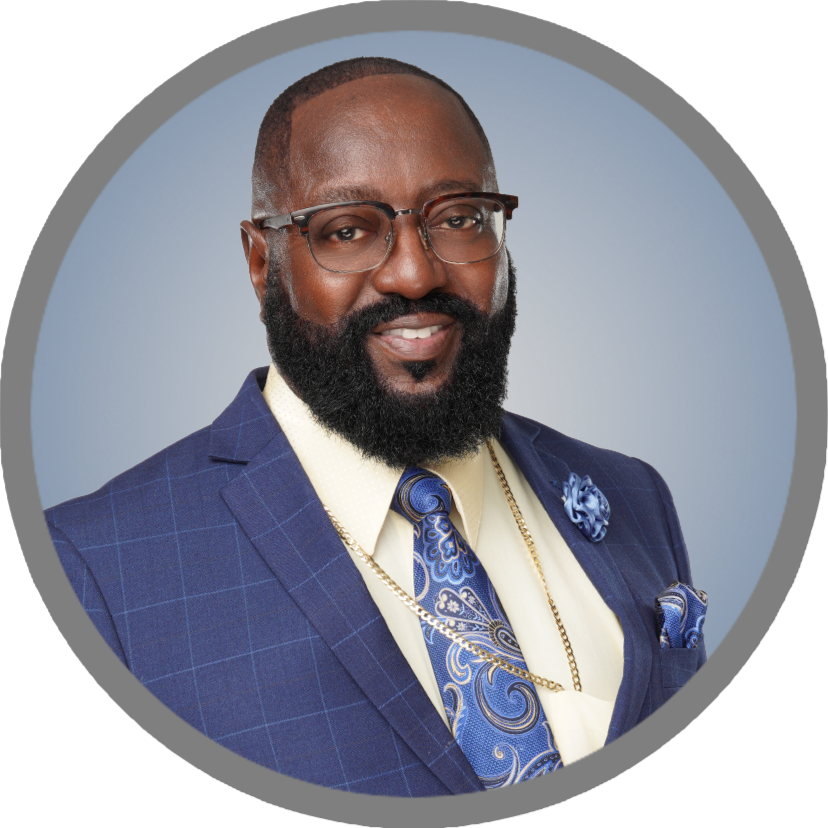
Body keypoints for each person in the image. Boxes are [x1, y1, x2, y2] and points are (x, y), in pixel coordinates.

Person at [44, 57, 706, 796]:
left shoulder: (632, 494)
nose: (415, 275)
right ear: (263, 263)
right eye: (348, 230)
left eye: (458, 218)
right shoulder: (99, 567)